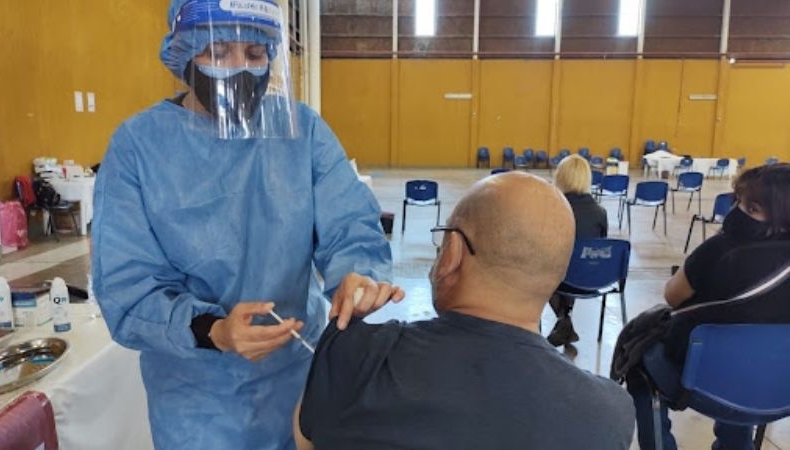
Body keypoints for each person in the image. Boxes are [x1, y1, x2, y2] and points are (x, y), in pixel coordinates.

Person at [91, 1, 403, 448]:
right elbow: (128, 285)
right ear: (185, 54)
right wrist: (211, 330)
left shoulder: (301, 130)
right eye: (218, 53)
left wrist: (358, 278)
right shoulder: (139, 147)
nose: (239, 69)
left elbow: (349, 223)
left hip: (297, 376)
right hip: (196, 396)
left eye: (255, 54)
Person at [294, 172, 635, 450]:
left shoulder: (361, 354)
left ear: (453, 252)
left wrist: (341, 333)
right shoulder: (609, 415)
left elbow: (307, 437)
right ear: (559, 274)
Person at [626, 163, 790, 450]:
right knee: (746, 359)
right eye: (738, 201)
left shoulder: (720, 250)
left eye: (752, 208)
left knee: (639, 364)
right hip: (777, 387)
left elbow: (672, 295)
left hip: (701, 380)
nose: (737, 211)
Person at [547, 155, 608, 347]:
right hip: (591, 278)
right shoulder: (600, 212)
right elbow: (600, 246)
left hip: (561, 278)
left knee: (548, 266)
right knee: (577, 261)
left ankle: (563, 320)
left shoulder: (554, 208)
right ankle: (565, 321)